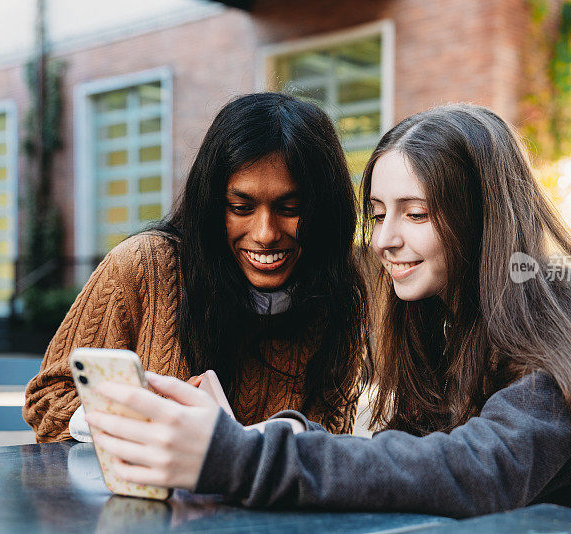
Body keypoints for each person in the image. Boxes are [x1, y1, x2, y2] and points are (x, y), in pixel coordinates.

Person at [84, 104, 571, 533]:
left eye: (416, 214)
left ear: (482, 219)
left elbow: (480, 471)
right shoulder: (436, 324)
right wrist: (245, 436)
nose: (385, 238)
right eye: (379, 212)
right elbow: (407, 464)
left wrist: (238, 458)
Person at [23, 93, 369, 442]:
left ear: (326, 212)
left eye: (290, 209)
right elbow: (48, 401)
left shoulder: (339, 301)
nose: (265, 234)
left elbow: (328, 449)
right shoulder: (143, 267)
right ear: (211, 205)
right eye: (240, 207)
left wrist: (231, 444)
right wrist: (152, 422)